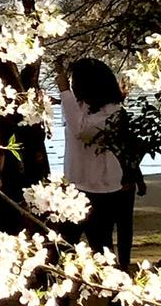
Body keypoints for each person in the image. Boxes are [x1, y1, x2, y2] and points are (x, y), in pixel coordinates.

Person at [56, 57, 133, 269]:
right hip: (76, 184)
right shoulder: (80, 106)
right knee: (64, 244)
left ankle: (112, 295)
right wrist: (64, 90)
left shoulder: (113, 112)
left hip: (102, 188)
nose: (72, 86)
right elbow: (72, 119)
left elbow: (82, 131)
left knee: (101, 245)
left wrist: (64, 90)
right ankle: (60, 294)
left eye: (75, 83)